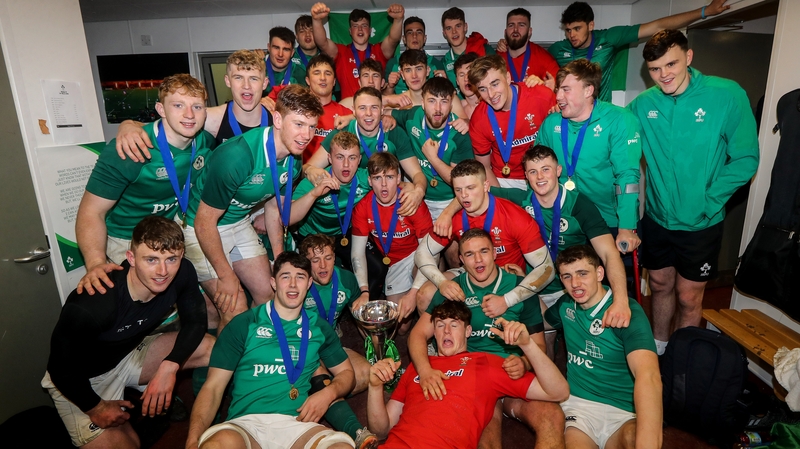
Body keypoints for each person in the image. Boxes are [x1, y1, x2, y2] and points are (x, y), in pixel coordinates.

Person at [627, 29, 759, 354]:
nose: (664, 75)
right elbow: (610, 131)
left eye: (671, 64)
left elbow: (745, 159)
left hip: (702, 222)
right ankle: (659, 350)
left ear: (688, 57)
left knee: (688, 296)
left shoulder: (726, 94)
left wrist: (708, 201)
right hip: (657, 219)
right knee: (660, 285)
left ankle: (680, 360)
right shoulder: (643, 104)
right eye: (655, 69)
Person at [43, 216, 214, 449]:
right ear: (131, 258)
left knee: (211, 348)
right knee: (130, 445)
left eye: (171, 259)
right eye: (151, 259)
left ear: (181, 256)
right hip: (79, 379)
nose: (163, 271)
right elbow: (60, 369)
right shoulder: (95, 303)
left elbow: (196, 322)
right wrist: (96, 408)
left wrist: (170, 366)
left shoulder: (182, 272)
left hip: (127, 353)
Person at [182, 85, 323, 333]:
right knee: (234, 308)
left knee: (269, 293)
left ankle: (256, 348)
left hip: (238, 221)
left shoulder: (294, 156)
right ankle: (222, 355)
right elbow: (204, 222)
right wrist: (226, 276)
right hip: (200, 227)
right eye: (299, 124)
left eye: (312, 127)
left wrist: (279, 259)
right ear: (277, 119)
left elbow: (273, 208)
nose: (306, 135)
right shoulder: (237, 156)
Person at [409, 229, 565, 449]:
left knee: (553, 416)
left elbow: (539, 344)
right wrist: (425, 371)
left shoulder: (520, 287)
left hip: (510, 373)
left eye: (483, 251)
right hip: (473, 377)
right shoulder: (453, 290)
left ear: (494, 253)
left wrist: (524, 362)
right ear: (461, 260)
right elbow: (417, 334)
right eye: (470, 254)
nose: (478, 260)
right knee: (486, 440)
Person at [186, 252, 358, 449]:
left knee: (342, 447)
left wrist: (328, 393)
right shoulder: (244, 324)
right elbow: (213, 387)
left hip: (298, 424)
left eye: (300, 277)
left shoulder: (319, 328)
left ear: (309, 283)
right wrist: (193, 440)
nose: (293, 284)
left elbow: (347, 373)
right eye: (285, 277)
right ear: (273, 283)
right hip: (246, 424)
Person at [75, 74, 214, 298]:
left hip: (173, 232)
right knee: (140, 306)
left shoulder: (204, 141)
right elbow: (91, 212)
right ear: (160, 109)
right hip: (128, 238)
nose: (189, 114)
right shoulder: (130, 150)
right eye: (178, 105)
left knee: (203, 296)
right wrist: (96, 263)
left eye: (197, 106)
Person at [367, 301, 569, 449]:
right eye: (440, 325)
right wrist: (375, 388)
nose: (446, 331)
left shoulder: (485, 363)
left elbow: (558, 392)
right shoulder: (417, 368)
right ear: (433, 333)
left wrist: (527, 345)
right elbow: (381, 431)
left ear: (468, 331)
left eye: (454, 325)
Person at [544, 245, 662, 449]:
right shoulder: (565, 305)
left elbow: (649, 376)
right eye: (567, 276)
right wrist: (524, 288)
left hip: (623, 412)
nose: (575, 284)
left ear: (599, 273)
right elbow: (541, 321)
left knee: (635, 438)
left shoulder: (626, 312)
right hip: (579, 407)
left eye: (582, 273)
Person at [415, 159, 554, 318]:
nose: (464, 195)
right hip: (470, 275)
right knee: (425, 295)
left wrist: (507, 300)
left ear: (486, 186)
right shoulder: (453, 218)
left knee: (546, 321)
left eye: (470, 188)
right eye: (458, 190)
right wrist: (442, 282)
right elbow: (422, 253)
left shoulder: (514, 217)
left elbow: (547, 269)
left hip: (506, 280)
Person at [535, 59, 642, 253]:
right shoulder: (551, 123)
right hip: (566, 220)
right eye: (558, 89)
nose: (558, 96)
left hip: (608, 220)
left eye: (566, 89)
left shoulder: (619, 119)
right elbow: (534, 170)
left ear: (588, 90)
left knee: (613, 271)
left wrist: (626, 226)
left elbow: (627, 176)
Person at [548, 0, 732, 102]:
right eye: (568, 30)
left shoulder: (608, 38)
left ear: (590, 25)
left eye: (577, 28)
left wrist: (704, 11)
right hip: (569, 113)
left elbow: (657, 26)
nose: (572, 35)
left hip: (600, 115)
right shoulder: (558, 49)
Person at [115, 50, 271, 160]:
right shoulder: (210, 118)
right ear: (227, 81)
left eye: (254, 79)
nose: (246, 86)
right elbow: (161, 125)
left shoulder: (277, 119)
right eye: (238, 78)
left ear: (264, 83)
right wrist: (127, 125)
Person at [299, 235, 378, 449]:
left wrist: (377, 350)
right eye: (315, 260)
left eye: (328, 257)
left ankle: (318, 392)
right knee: (321, 378)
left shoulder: (346, 279)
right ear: (306, 263)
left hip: (332, 344)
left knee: (367, 374)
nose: (323, 266)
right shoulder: (299, 284)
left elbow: (359, 320)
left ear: (335, 257)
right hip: (305, 347)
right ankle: (356, 430)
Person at [304, 86, 427, 217]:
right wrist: (310, 170)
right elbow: (307, 166)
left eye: (374, 107)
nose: (368, 113)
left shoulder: (394, 133)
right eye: (362, 108)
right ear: (354, 111)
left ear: (382, 110)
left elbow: (417, 174)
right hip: (349, 204)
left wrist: (419, 191)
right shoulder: (341, 134)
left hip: (382, 203)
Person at [351, 153, 434, 331]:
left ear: (398, 178)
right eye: (377, 178)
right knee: (400, 327)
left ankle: (428, 332)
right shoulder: (363, 208)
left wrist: (413, 292)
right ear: (369, 181)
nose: (383, 184)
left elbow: (429, 251)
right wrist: (364, 291)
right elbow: (357, 253)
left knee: (423, 293)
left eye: (389, 177)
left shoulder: (411, 203)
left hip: (418, 255)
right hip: (395, 263)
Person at [469, 55, 556, 189]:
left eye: (495, 84)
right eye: (483, 89)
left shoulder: (541, 97)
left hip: (544, 172)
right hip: (504, 179)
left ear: (508, 78)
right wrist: (500, 196)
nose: (491, 94)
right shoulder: (479, 119)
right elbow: (484, 167)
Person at [290, 131, 370, 264]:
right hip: (313, 235)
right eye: (340, 157)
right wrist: (314, 194)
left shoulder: (365, 179)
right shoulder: (315, 181)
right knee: (319, 269)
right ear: (330, 158)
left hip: (344, 234)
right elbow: (288, 218)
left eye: (352, 158)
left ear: (359, 160)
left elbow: (391, 183)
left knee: (377, 270)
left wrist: (407, 186)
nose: (346, 164)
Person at [311, 3, 405, 99]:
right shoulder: (341, 52)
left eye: (364, 25)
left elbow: (393, 40)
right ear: (350, 31)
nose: (360, 29)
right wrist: (317, 21)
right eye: (355, 26)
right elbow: (322, 43)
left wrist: (398, 20)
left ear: (370, 30)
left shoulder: (379, 50)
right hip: (348, 107)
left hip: (374, 106)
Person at [302, 53, 354, 163]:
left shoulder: (346, 115)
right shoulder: (297, 111)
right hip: (301, 172)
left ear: (334, 81)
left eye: (328, 73)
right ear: (307, 80)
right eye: (317, 73)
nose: (323, 78)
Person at [391, 49, 469, 119]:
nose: (414, 76)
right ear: (402, 75)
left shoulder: (447, 99)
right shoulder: (397, 103)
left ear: (428, 70)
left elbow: (465, 124)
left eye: (419, 69)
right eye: (408, 70)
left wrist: (464, 122)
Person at [497, 8, 560, 91]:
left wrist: (546, 88)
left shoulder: (544, 58)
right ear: (505, 32)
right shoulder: (497, 57)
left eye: (521, 25)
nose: (515, 29)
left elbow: (561, 87)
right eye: (511, 25)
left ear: (529, 31)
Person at [440, 7, 495, 98]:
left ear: (465, 27)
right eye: (449, 28)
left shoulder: (485, 50)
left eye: (458, 26)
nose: (454, 32)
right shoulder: (444, 62)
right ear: (444, 33)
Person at [384, 17, 445, 94]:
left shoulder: (436, 64)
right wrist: (390, 87)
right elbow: (384, 97)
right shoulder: (393, 63)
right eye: (410, 33)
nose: (414, 36)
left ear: (425, 38)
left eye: (419, 32)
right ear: (404, 39)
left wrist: (445, 83)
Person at [263, 26, 308, 101]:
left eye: (286, 49)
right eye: (276, 48)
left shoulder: (301, 75)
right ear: (269, 47)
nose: (280, 54)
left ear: (292, 52)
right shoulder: (257, 71)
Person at [454, 52, 480, 119]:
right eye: (461, 75)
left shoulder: (491, 104)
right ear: (457, 81)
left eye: (470, 73)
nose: (466, 79)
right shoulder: (458, 109)